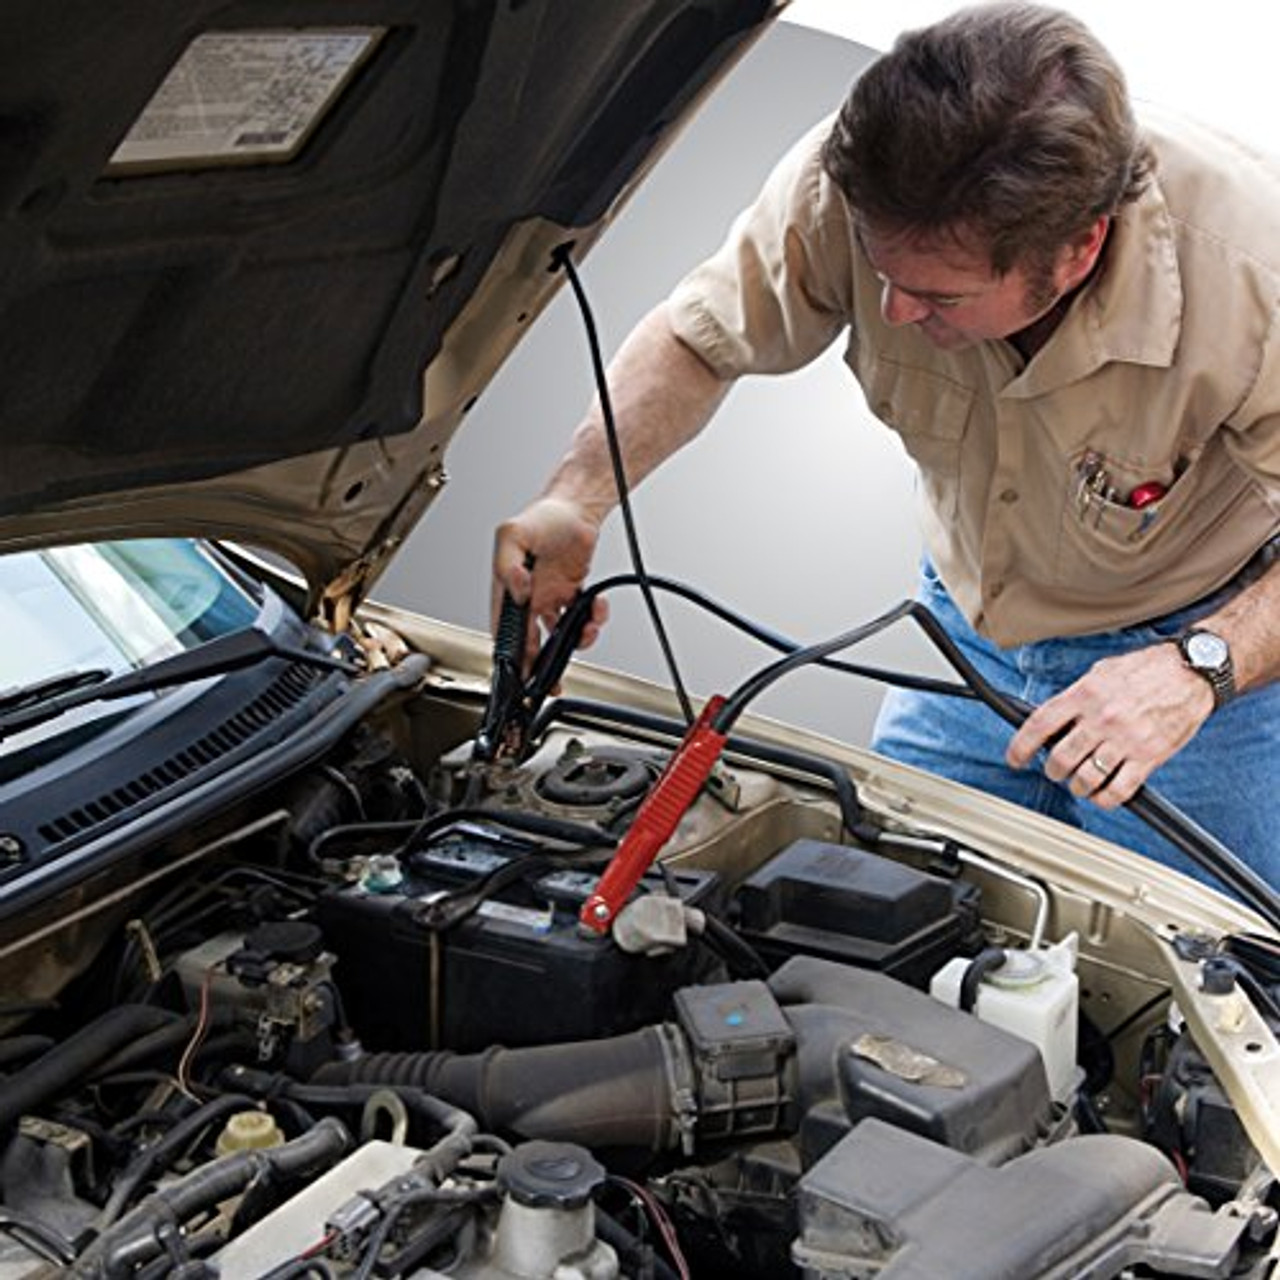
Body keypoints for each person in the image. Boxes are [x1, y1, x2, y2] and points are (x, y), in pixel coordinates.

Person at [492, 2, 1279, 888]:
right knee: (881, 924)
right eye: (882, 274)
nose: (896, 312)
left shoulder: (1254, 268)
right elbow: (698, 340)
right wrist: (578, 494)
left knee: (1220, 984)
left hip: (1201, 662)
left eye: (939, 297)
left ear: (1076, 251)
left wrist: (1195, 670)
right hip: (969, 636)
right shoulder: (853, 180)